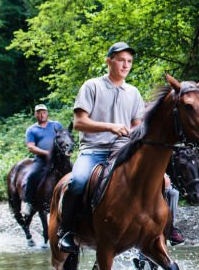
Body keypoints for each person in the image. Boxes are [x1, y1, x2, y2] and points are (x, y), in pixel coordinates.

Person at [57, 42, 146, 253]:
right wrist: (111, 127)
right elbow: (79, 122)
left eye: (129, 61)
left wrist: (138, 134)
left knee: (163, 181)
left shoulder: (133, 92)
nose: (126, 65)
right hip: (93, 150)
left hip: (123, 150)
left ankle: (163, 229)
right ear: (109, 61)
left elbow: (137, 125)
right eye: (121, 60)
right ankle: (67, 232)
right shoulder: (92, 86)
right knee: (77, 182)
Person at [22, 104, 64, 218]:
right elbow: (31, 147)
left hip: (58, 158)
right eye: (39, 112)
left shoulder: (56, 125)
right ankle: (28, 202)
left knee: (73, 171)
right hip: (42, 159)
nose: (42, 114)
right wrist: (47, 153)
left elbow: (63, 138)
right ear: (35, 114)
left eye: (44, 112)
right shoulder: (31, 130)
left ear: (47, 113)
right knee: (32, 175)